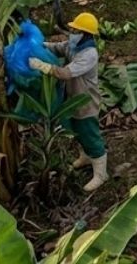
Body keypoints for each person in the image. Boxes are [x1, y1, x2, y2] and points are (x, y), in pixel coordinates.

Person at [29, 11, 108, 192]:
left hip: (85, 102)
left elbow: (65, 73)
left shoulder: (89, 54)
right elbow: (58, 48)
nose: (72, 33)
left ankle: (101, 173)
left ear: (85, 34)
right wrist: (37, 45)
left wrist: (43, 66)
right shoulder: (75, 46)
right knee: (76, 131)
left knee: (89, 134)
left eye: (76, 30)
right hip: (72, 99)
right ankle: (86, 157)